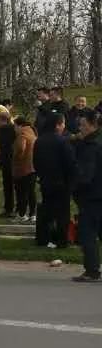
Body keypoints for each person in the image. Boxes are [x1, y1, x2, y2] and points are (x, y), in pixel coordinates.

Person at [33, 112, 76, 248]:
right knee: (62, 213)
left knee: (47, 211)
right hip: (62, 182)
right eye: (63, 123)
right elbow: (70, 163)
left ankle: (44, 239)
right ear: (58, 125)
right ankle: (62, 240)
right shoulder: (63, 141)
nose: (64, 126)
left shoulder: (39, 140)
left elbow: (36, 162)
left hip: (46, 181)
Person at [73, 110, 102, 282]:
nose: (80, 128)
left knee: (87, 234)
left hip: (92, 196)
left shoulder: (91, 146)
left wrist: (74, 186)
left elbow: (86, 175)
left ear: (93, 125)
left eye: (83, 125)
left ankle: (92, 271)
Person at [12, 116, 37, 223]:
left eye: (14, 126)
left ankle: (22, 214)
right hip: (33, 167)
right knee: (31, 192)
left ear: (19, 125)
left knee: (22, 192)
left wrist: (16, 157)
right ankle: (33, 214)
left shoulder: (22, 134)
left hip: (23, 167)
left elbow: (21, 148)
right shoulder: (33, 133)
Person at [0, 110, 16, 217]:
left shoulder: (0, 130)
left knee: (8, 186)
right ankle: (15, 208)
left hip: (6, 160)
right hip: (14, 159)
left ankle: (9, 208)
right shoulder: (14, 129)